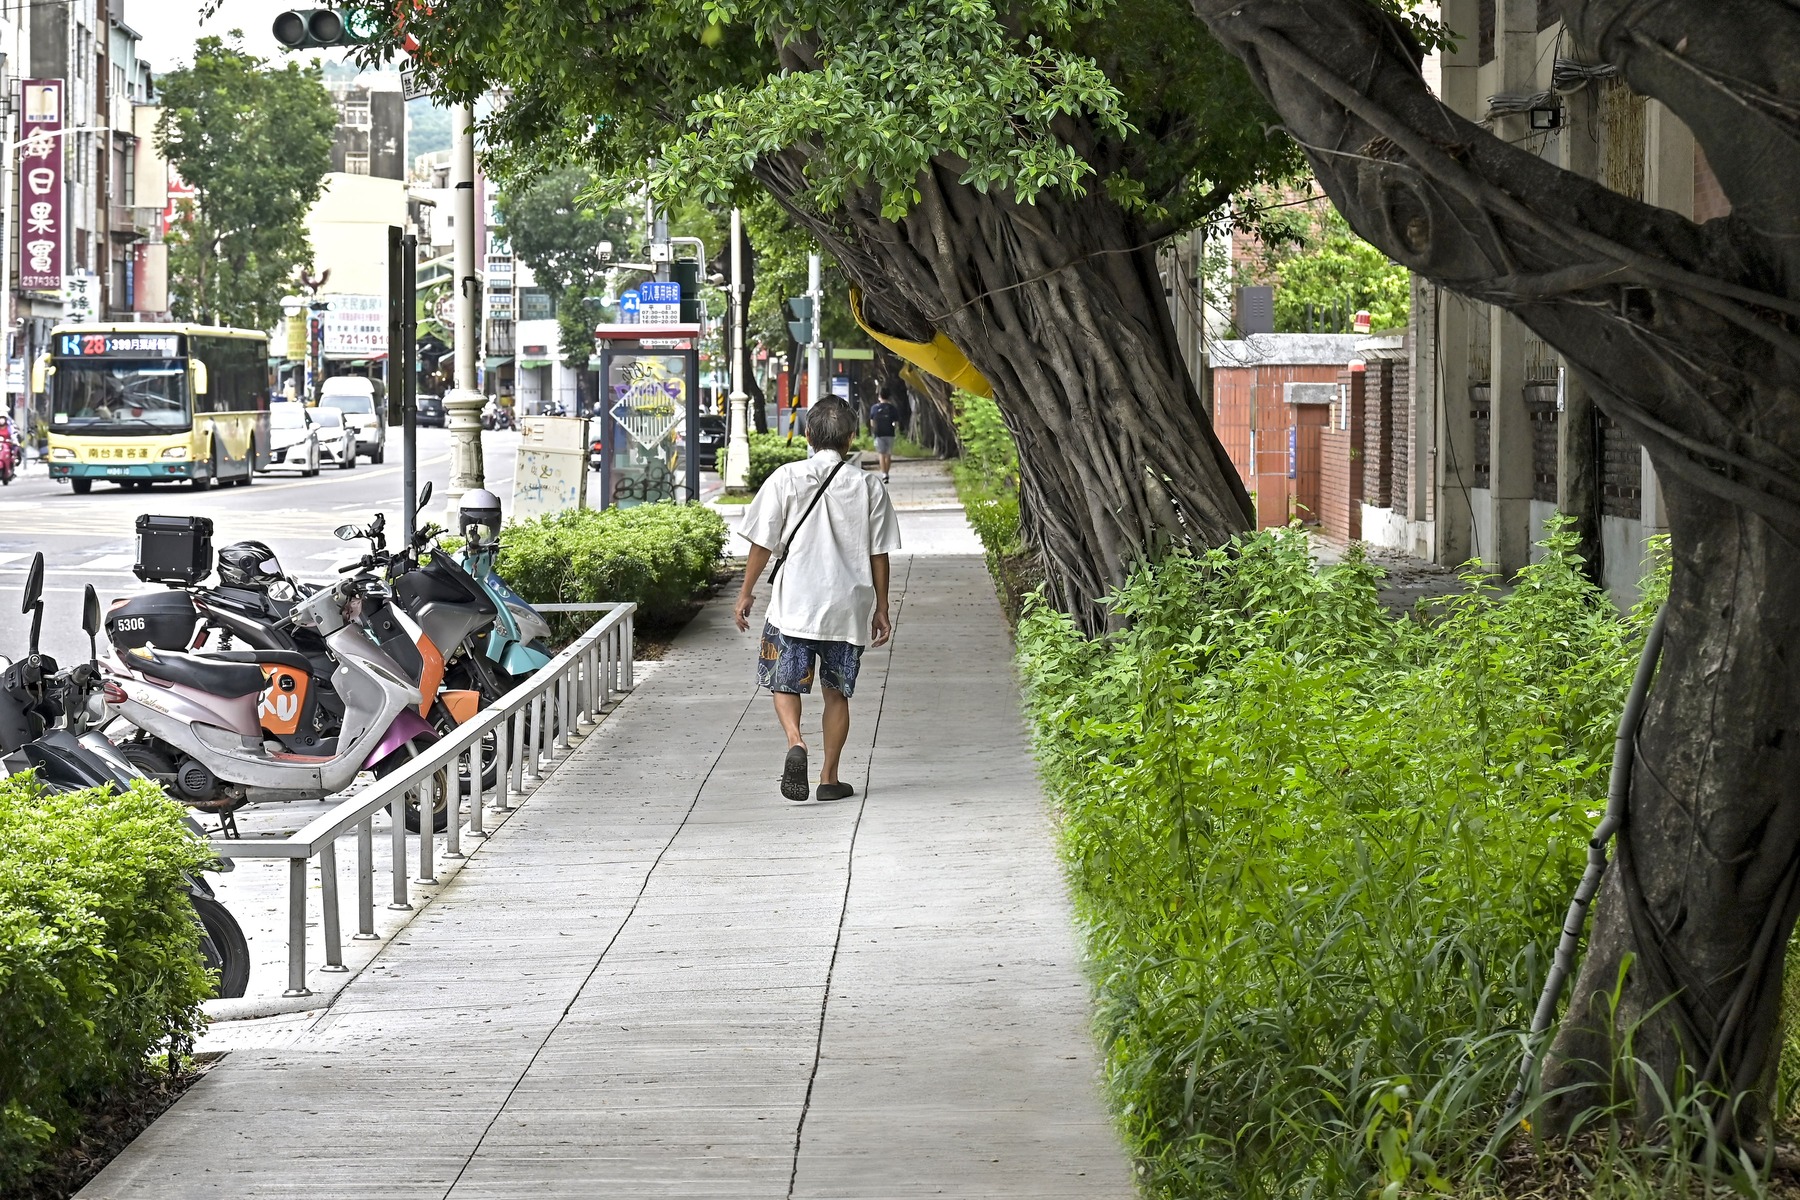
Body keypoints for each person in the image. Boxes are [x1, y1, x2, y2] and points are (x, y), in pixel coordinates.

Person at [734, 397, 902, 802]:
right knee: (836, 693)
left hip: (794, 605)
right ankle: (829, 778)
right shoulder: (868, 486)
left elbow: (763, 541)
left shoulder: (786, 477)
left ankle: (796, 741)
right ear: (851, 438)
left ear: (808, 435)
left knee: (783, 681)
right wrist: (882, 606)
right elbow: (879, 552)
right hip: (847, 608)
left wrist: (746, 592)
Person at [868, 388, 901, 483]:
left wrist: (875, 431)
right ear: (889, 397)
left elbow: (872, 422)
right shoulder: (892, 408)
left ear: (879, 397)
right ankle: (887, 472)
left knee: (881, 454)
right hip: (890, 433)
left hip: (879, 434)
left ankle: (884, 474)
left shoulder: (874, 408)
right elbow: (896, 422)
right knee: (888, 455)